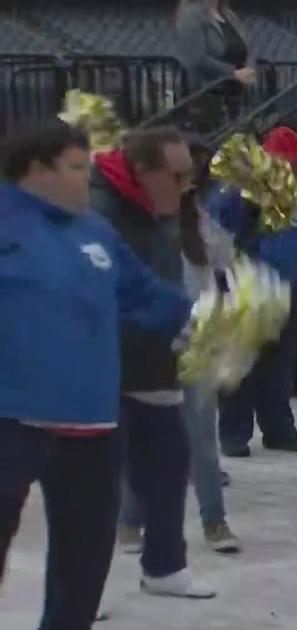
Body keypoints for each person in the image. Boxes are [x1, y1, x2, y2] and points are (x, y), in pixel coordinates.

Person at [0, 121, 193, 628]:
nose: (88, 179)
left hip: (91, 427)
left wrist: (206, 315)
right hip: (11, 421)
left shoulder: (96, 232)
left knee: (82, 567)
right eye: (77, 168)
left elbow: (147, 298)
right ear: (37, 171)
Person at [89, 127, 217, 598]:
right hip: (104, 367)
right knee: (96, 484)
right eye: (178, 174)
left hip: (158, 359)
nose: (188, 185)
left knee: (168, 463)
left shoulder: (160, 205)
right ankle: (85, 587)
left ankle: (164, 566)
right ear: (142, 171)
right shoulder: (97, 212)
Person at [117, 190, 241, 555]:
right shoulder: (136, 227)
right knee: (141, 434)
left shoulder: (202, 226)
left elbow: (228, 274)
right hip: (150, 347)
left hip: (196, 346)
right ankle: (130, 521)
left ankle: (214, 521)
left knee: (202, 439)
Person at [207, 127, 297, 458]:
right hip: (244, 291)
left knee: (279, 366)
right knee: (239, 364)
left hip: (287, 292)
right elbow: (216, 238)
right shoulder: (234, 193)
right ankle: (234, 433)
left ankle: (278, 429)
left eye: (296, 167)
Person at [176, 0, 256, 129]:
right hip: (208, 97)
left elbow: (246, 48)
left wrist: (250, 70)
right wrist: (233, 73)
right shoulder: (191, 15)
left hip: (236, 96)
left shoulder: (229, 15)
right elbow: (198, 59)